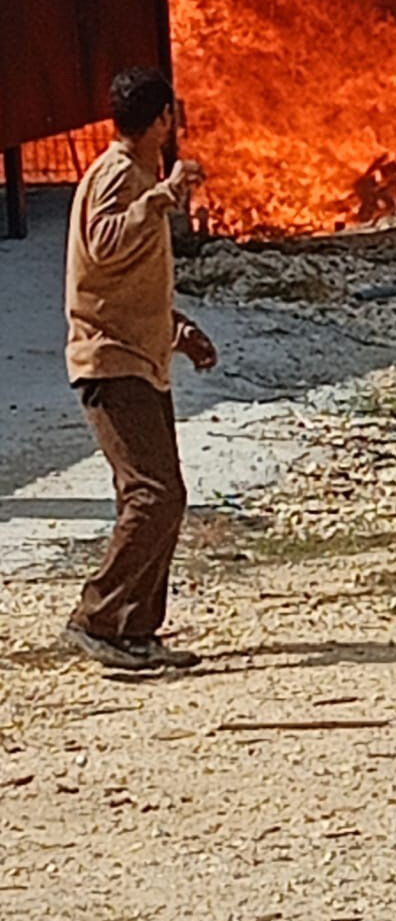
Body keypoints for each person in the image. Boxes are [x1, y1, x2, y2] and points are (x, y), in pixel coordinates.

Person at [61, 68, 218, 672]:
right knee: (156, 495)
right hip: (111, 363)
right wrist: (162, 197)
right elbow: (104, 244)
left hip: (140, 359)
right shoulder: (119, 174)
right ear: (162, 121)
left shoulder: (134, 174)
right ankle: (98, 620)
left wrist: (176, 332)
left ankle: (135, 630)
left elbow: (124, 282)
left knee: (157, 496)